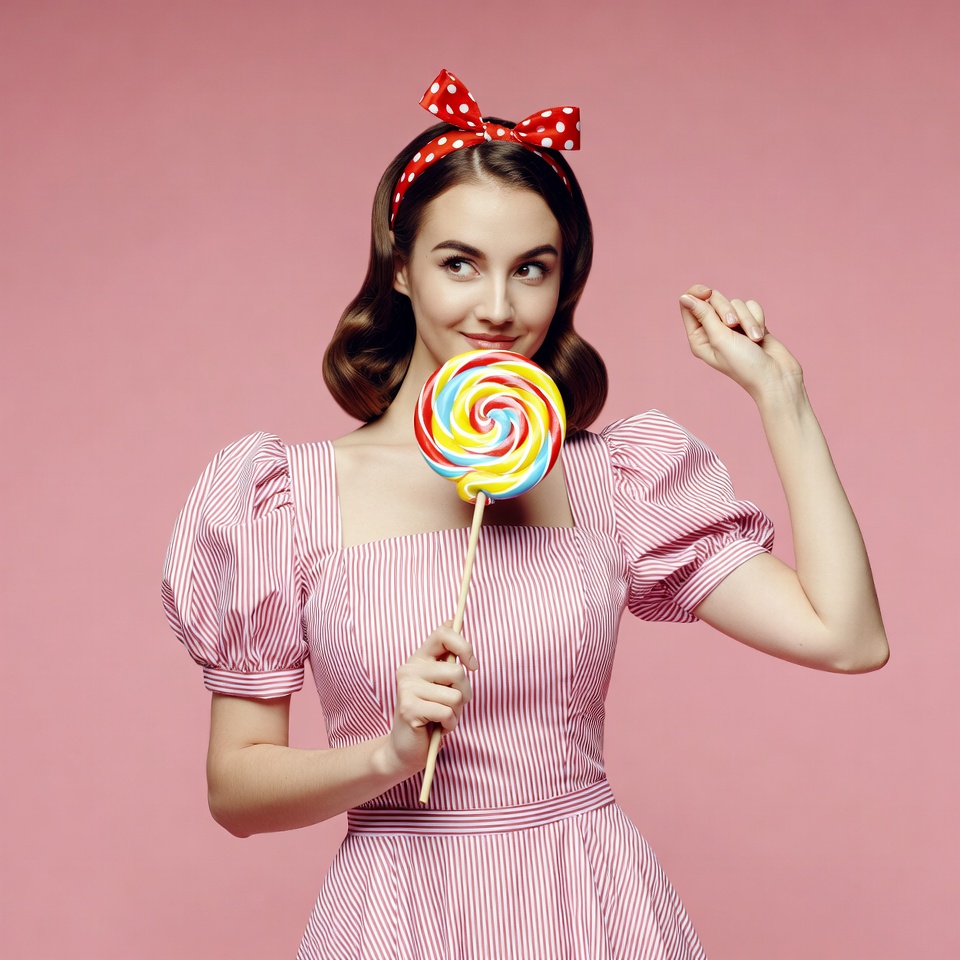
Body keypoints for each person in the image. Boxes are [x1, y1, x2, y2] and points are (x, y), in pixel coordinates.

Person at [162, 70, 888, 959]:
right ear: (400, 265)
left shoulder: (612, 478)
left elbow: (847, 638)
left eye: (531, 270)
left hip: (593, 903)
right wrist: (382, 755)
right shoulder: (286, 496)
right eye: (459, 262)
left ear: (564, 281)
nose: (498, 309)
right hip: (399, 917)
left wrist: (783, 398)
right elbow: (234, 792)